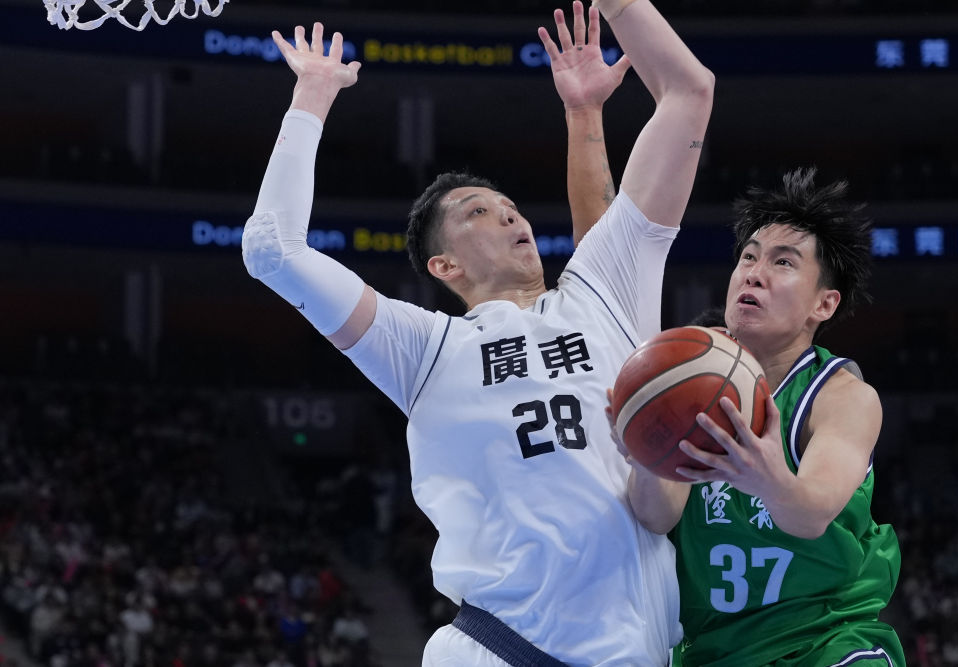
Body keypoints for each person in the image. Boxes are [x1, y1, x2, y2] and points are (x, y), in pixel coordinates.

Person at [241, 0, 714, 663]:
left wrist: (591, 92)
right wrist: (312, 95)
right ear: (444, 265)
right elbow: (271, 251)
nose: (509, 216)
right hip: (502, 648)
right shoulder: (425, 349)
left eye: (511, 207)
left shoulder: (603, 297)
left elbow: (690, 94)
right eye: (478, 212)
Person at [571, 162, 903, 662]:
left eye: (783, 263)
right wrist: (645, 455)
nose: (754, 272)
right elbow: (657, 516)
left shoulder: (840, 396)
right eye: (749, 256)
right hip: (713, 649)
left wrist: (770, 479)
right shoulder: (684, 375)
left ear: (824, 304)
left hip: (824, 639)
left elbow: (811, 513)